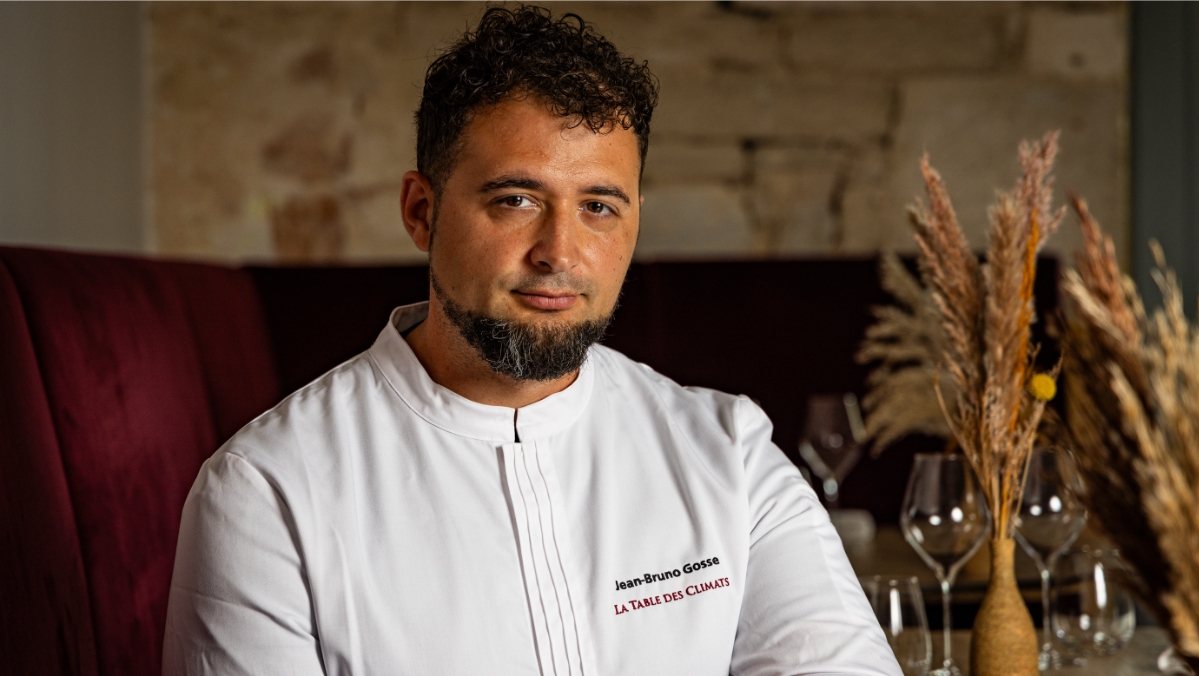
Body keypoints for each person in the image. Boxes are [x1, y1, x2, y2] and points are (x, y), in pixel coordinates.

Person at [163, 6, 900, 675]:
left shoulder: (728, 453)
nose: (561, 252)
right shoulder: (267, 495)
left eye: (599, 207)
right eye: (516, 200)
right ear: (421, 212)